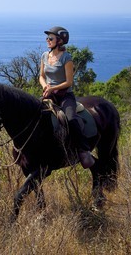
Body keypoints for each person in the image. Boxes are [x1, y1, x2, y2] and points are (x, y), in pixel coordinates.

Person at [39, 26, 95, 168]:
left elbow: (69, 82)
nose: (47, 40)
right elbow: (41, 76)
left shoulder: (66, 58)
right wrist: (45, 86)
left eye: (50, 38)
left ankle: (84, 151)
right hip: (49, 94)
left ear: (59, 41)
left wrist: (53, 88)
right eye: (47, 38)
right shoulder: (45, 56)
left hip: (65, 96)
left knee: (70, 119)